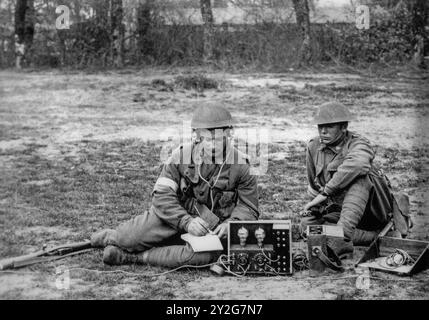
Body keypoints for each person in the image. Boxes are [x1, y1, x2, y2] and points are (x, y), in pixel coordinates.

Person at [91, 104, 259, 268]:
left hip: (210, 230)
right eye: (207, 139)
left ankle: (130, 257)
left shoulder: (242, 166)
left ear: (228, 135)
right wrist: (186, 222)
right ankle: (112, 237)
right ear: (198, 136)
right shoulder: (180, 157)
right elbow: (162, 196)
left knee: (205, 256)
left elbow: (249, 207)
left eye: (217, 139)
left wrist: (230, 225)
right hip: (173, 217)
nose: (212, 145)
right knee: (127, 239)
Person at [301, 102, 411, 255]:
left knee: (359, 178)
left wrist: (326, 192)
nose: (323, 131)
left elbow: (358, 165)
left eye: (330, 126)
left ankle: (342, 236)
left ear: (344, 127)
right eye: (320, 126)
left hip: (372, 210)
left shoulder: (359, 143)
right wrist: (314, 208)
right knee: (308, 226)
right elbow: (314, 184)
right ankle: (375, 237)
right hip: (342, 211)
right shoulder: (314, 146)